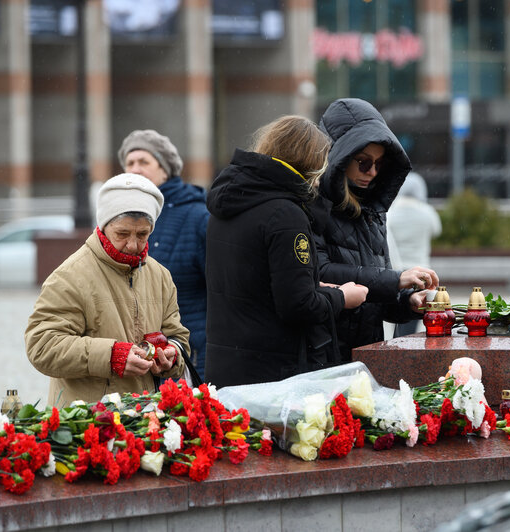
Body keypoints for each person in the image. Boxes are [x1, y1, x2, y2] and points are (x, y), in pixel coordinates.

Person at [204, 115, 369, 387]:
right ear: (310, 165)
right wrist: (342, 296)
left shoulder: (228, 203)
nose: (318, 182)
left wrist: (314, 285)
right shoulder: (285, 213)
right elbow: (298, 305)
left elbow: (251, 285)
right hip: (271, 373)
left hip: (226, 365)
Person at [25, 173, 188, 408]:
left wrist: (172, 356)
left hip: (145, 421)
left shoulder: (160, 275)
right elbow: (42, 346)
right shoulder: (70, 275)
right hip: (85, 423)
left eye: (142, 234)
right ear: (103, 226)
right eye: (122, 234)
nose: (133, 244)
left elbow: (178, 337)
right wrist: (112, 356)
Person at [315, 98, 439, 360]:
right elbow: (320, 272)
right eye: (363, 162)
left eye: (379, 164)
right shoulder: (315, 205)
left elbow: (373, 295)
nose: (372, 172)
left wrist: (408, 302)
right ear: (340, 156)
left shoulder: (371, 210)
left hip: (365, 355)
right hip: (323, 354)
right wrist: (396, 280)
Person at [118, 130, 209, 381]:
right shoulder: (117, 218)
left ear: (165, 169)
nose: (135, 169)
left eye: (144, 162)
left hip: (189, 352)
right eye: (130, 163)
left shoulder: (198, 217)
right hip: (138, 360)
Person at [387, 172, 442, 337]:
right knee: (417, 309)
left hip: (399, 272)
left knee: (397, 316)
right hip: (423, 271)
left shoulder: (391, 212)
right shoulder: (427, 212)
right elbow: (437, 231)